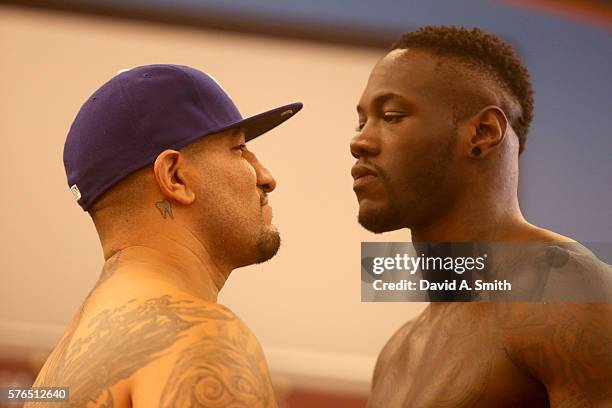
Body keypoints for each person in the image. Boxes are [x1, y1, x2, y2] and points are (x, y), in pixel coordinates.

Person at [350, 26, 612, 406]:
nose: (359, 141)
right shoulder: (397, 354)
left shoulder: (566, 291)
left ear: (483, 132)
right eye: (361, 122)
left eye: (391, 116)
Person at [27, 64, 302, 407]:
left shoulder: (61, 365)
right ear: (175, 177)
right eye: (239, 149)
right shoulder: (200, 339)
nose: (266, 176)